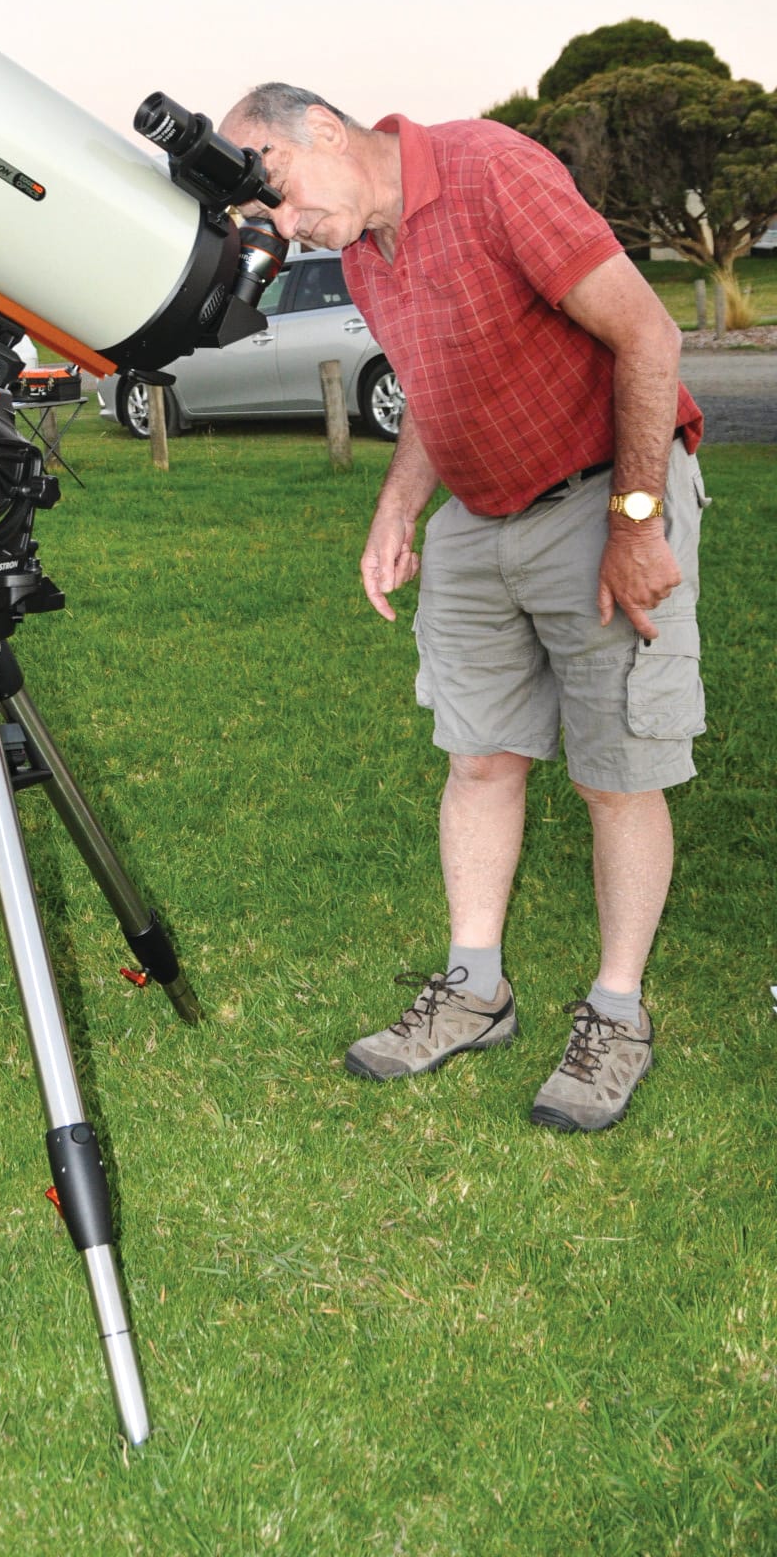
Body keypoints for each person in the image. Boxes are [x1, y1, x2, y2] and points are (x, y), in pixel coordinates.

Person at [220, 85, 705, 1133]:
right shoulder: (361, 245)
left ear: (324, 131)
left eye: (284, 195)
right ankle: (473, 989)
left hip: (598, 490)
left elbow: (648, 336)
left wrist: (634, 524)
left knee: (615, 770)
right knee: (478, 752)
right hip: (482, 517)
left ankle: (615, 1013)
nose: (288, 228)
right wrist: (398, 505)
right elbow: (439, 394)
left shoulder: (490, 171)